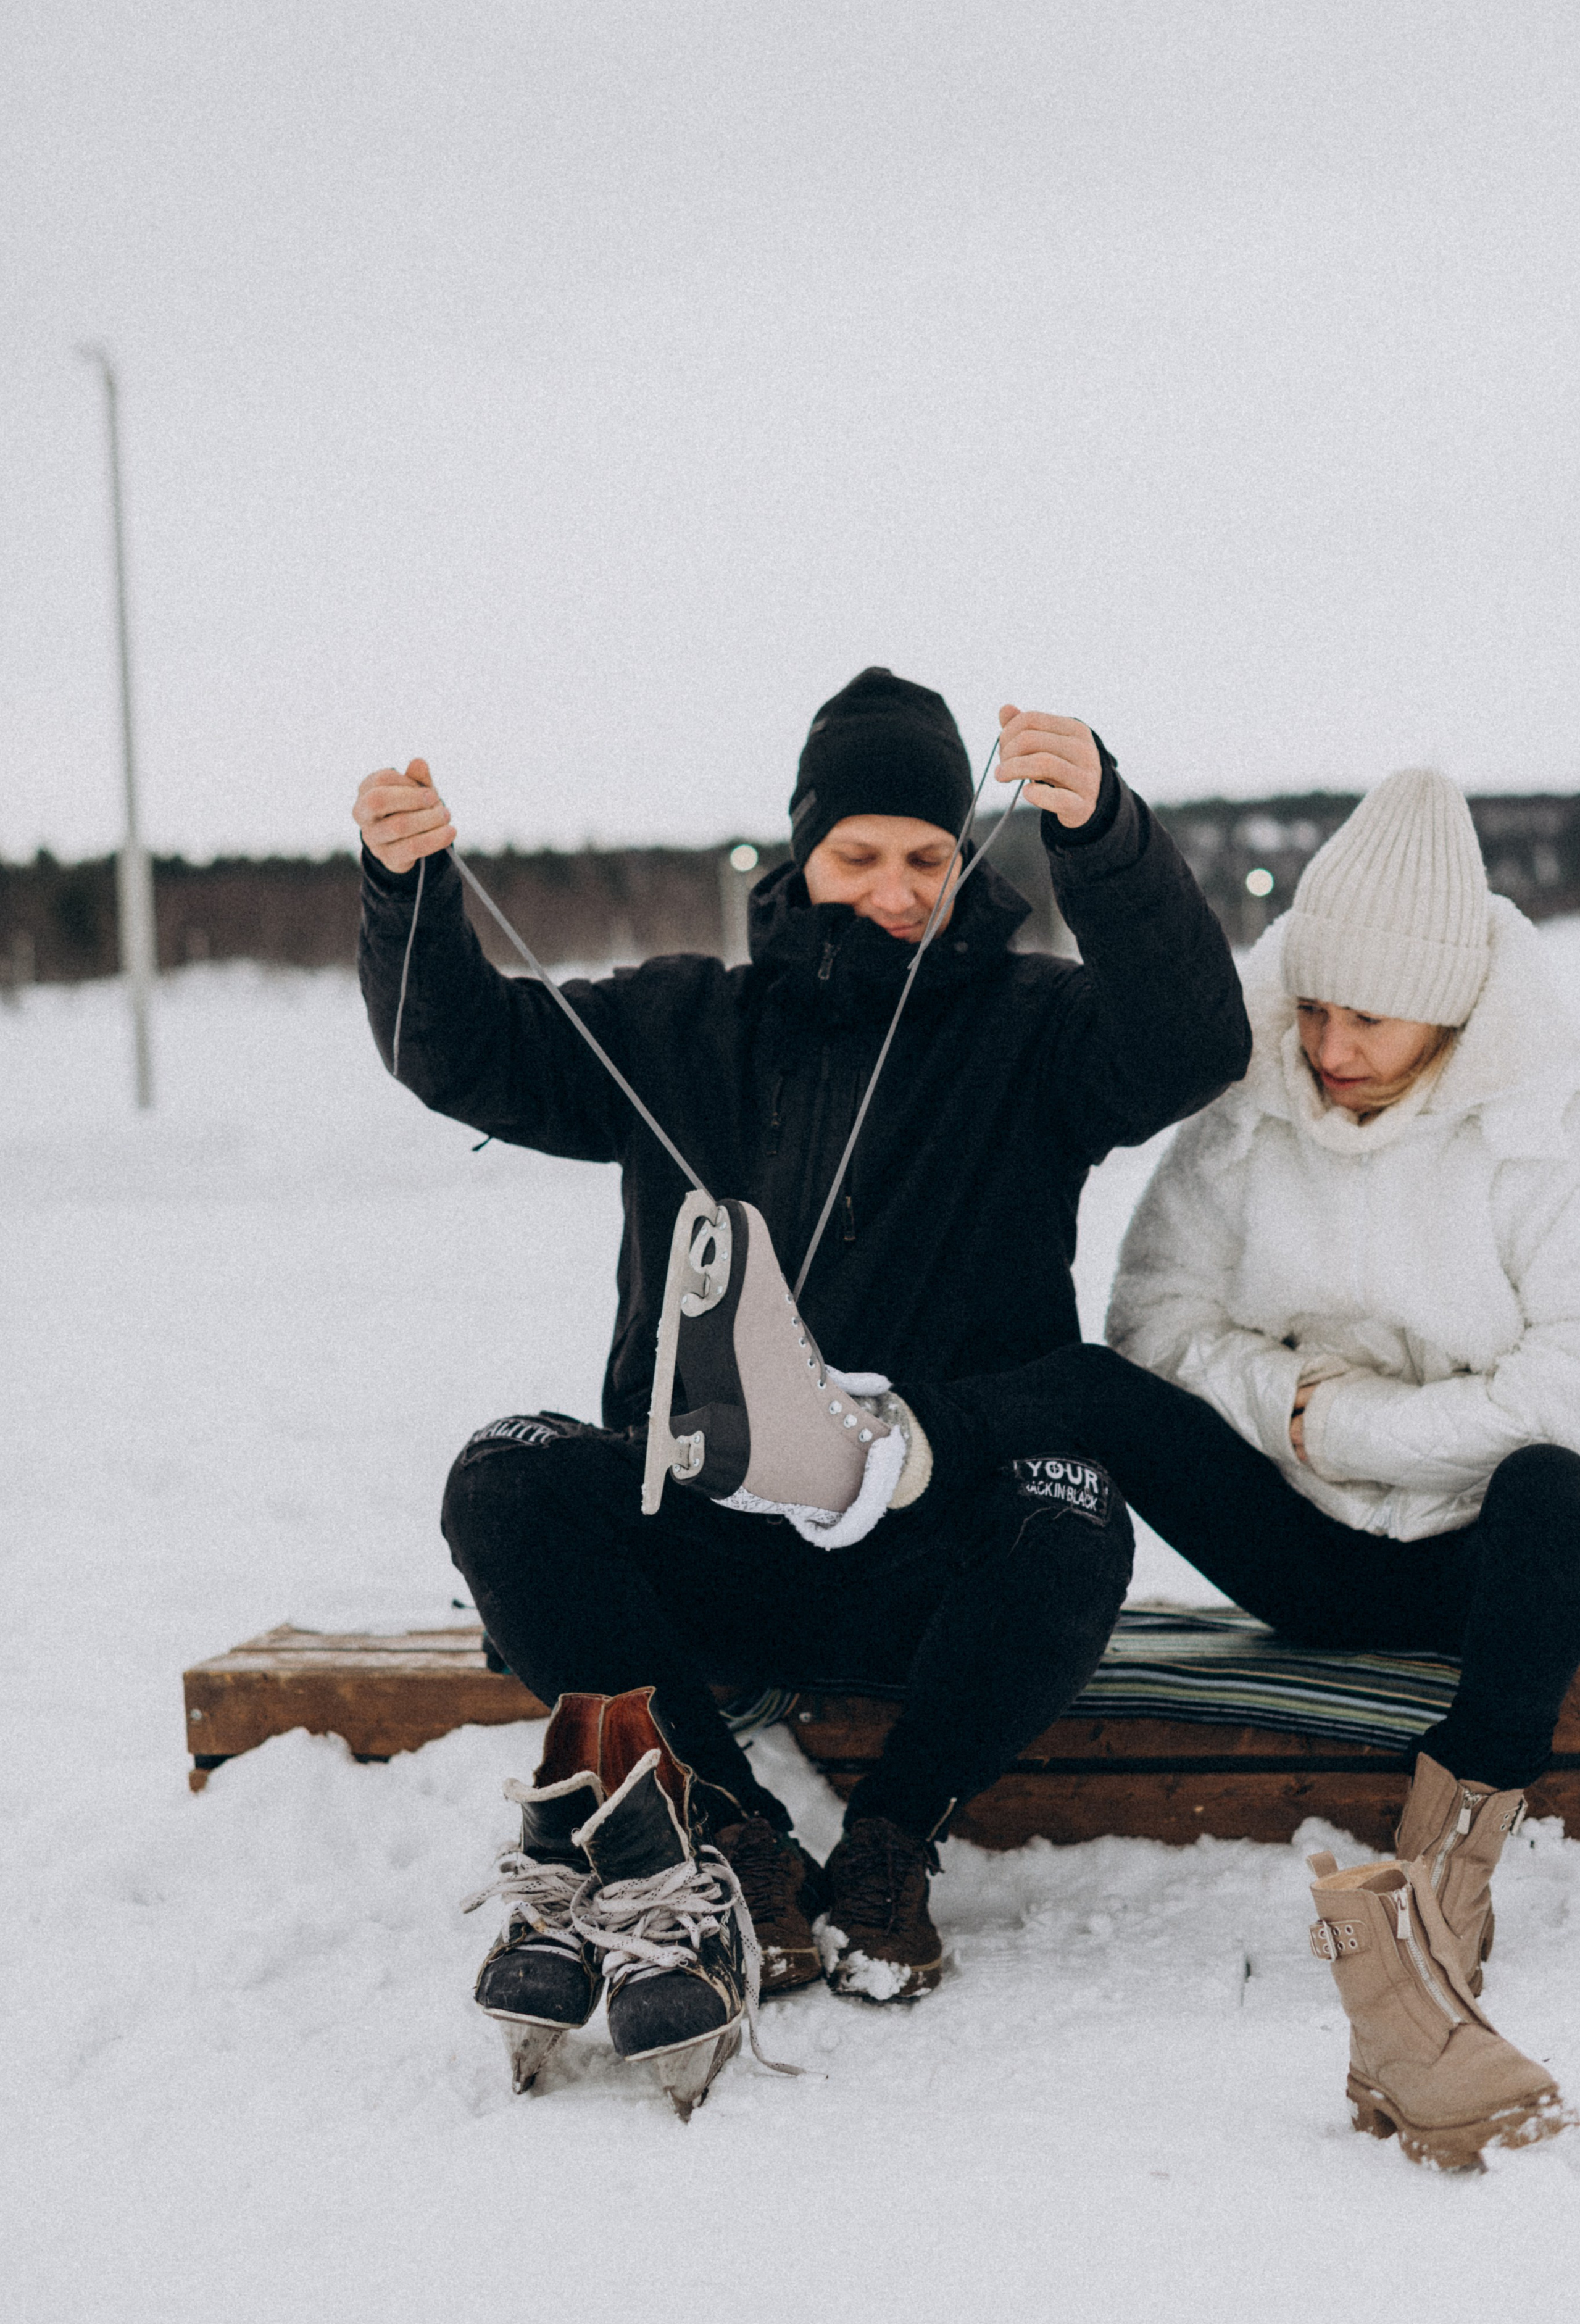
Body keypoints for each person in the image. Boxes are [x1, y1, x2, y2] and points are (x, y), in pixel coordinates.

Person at [354, 667, 1249, 2093]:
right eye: (859, 854)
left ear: (964, 863)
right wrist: (407, 893)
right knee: (506, 1474)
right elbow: (462, 1051)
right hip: (705, 1548)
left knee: (1076, 1505)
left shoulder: (1034, 1029)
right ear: (801, 852)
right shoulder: (678, 1020)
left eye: (927, 859)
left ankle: (890, 1844)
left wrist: (1104, 836)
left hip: (927, 1563)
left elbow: (1192, 1041)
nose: (894, 889)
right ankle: (732, 1833)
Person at [922, 768, 1579, 2165]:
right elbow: (1153, 1322)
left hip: (1486, 1562)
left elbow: (1567, 1387)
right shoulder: (1256, 1098)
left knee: (1559, 1487)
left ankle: (1437, 1902)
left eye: (1369, 1018)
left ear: (1452, 1011)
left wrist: (1356, 1427)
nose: (1329, 1043)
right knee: (1087, 1386)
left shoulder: (1546, 1127)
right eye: (1314, 1006)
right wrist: (1292, 1412)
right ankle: (880, 1448)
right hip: (1298, 1543)